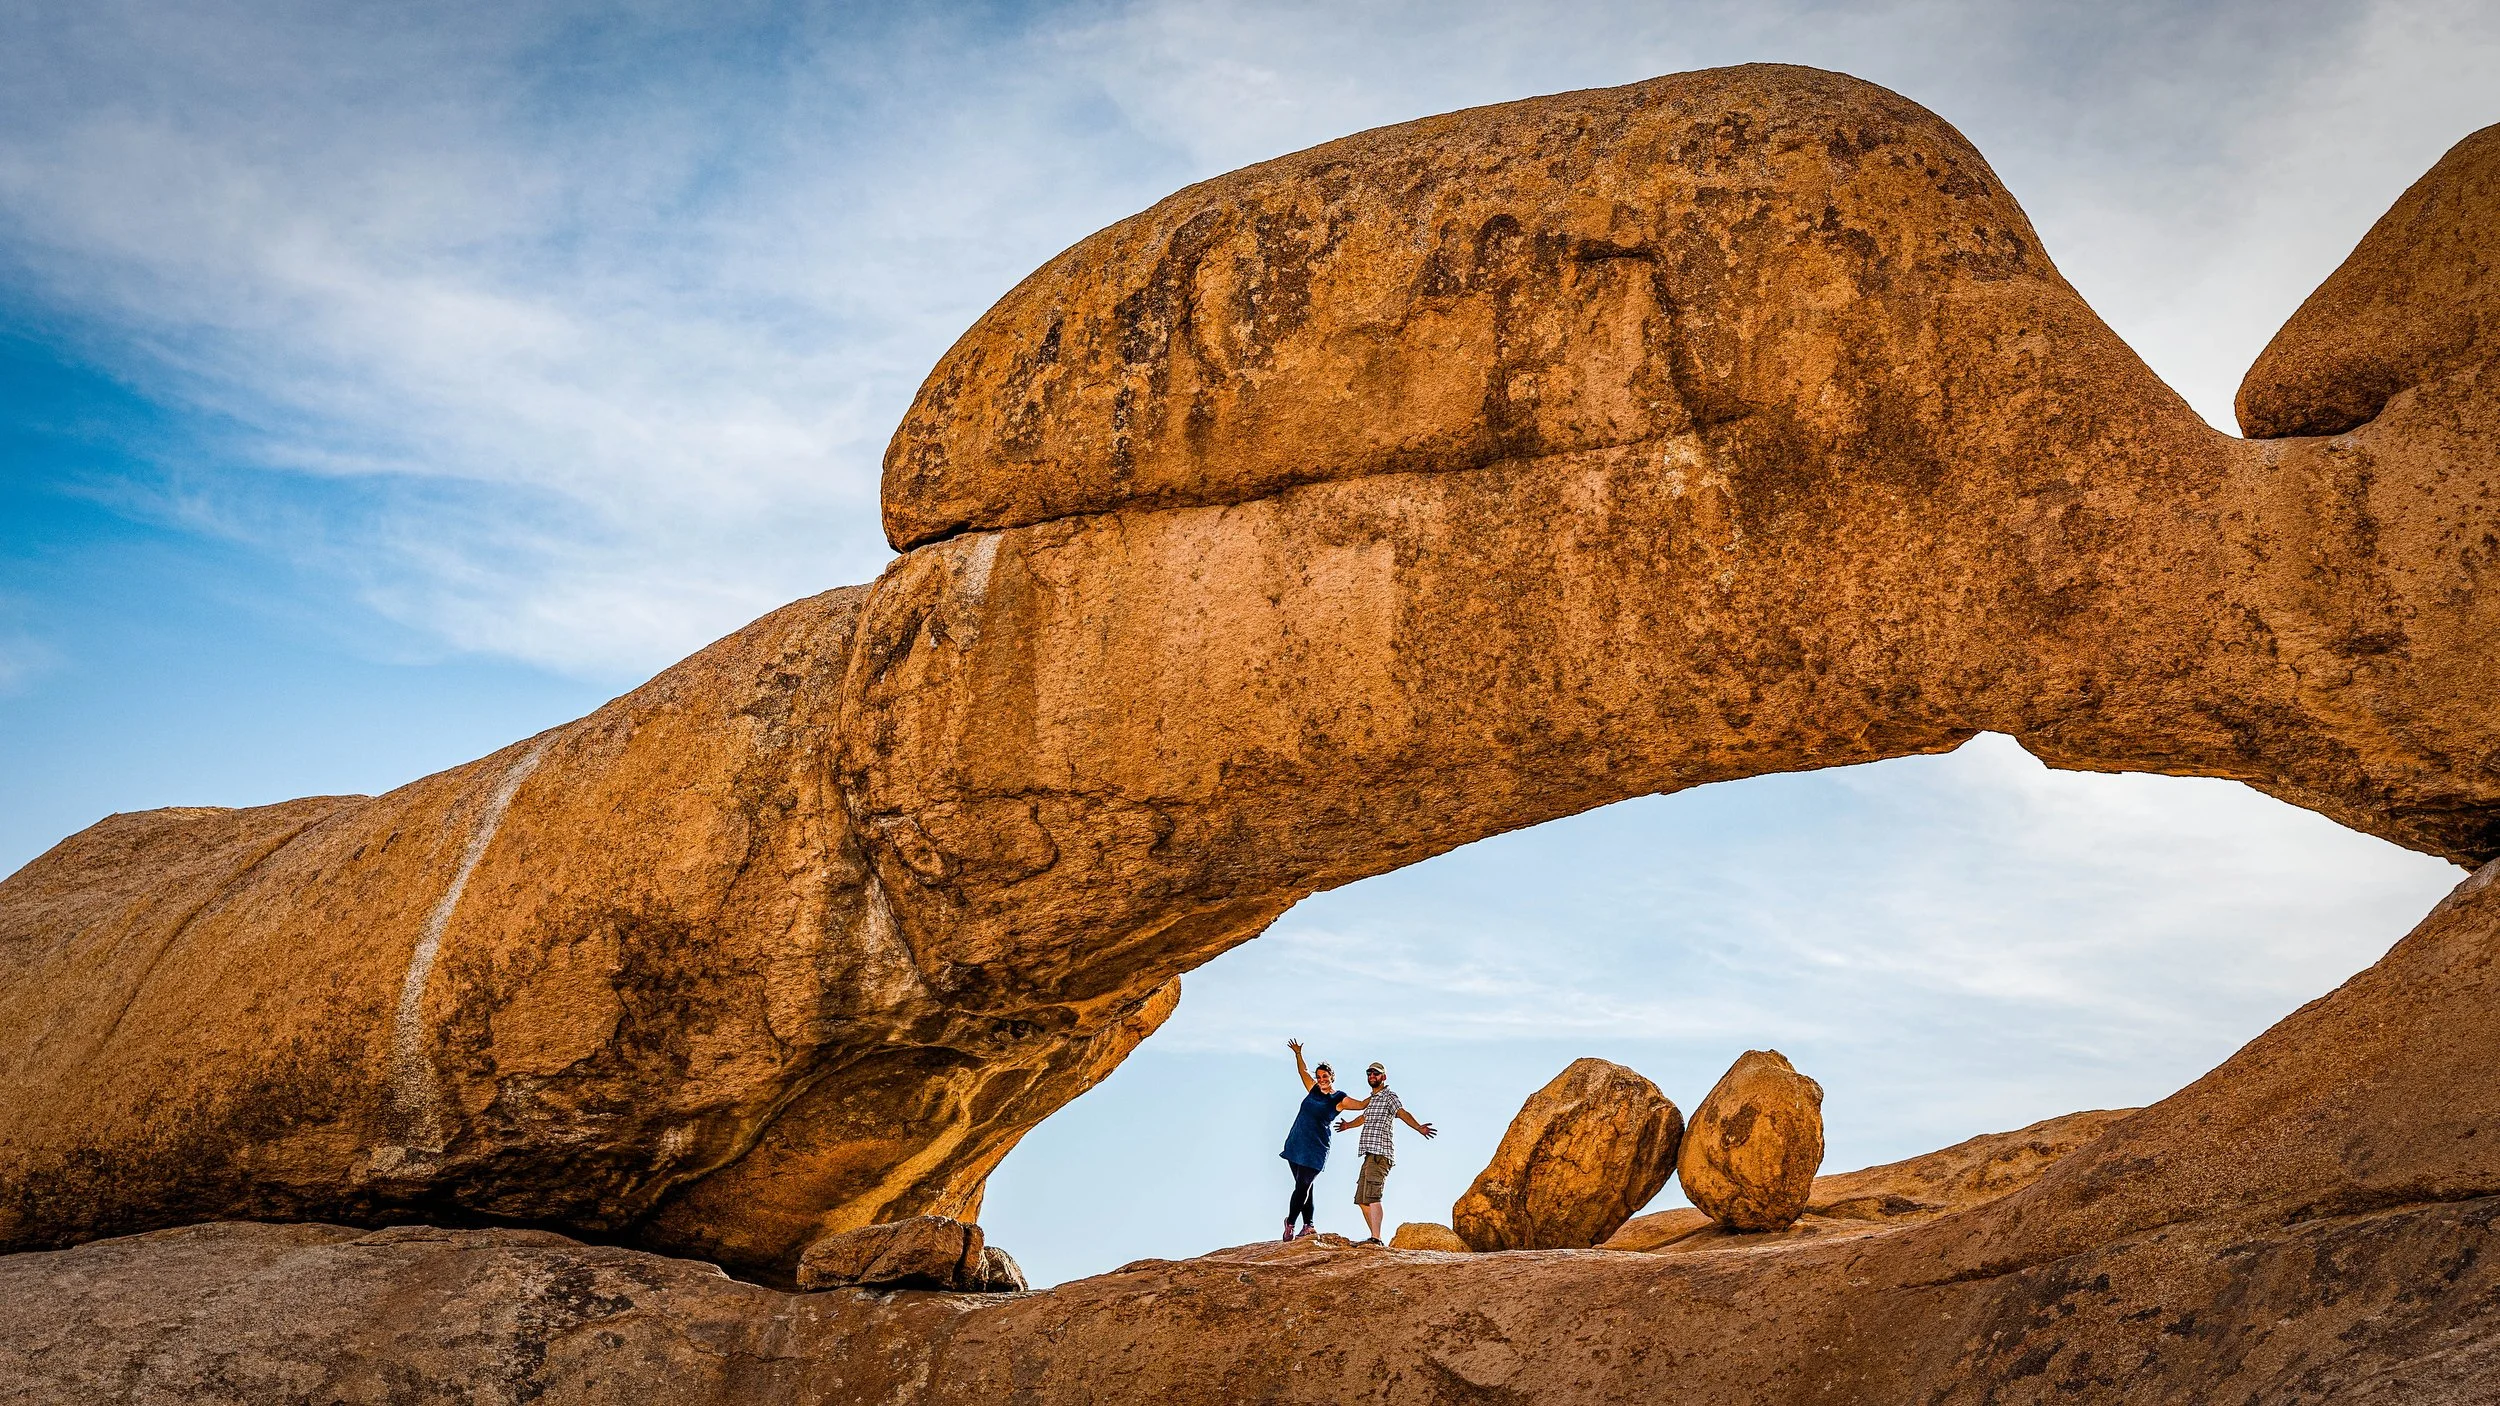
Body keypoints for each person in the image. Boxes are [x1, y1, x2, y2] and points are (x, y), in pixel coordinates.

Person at [1334, 1060, 1436, 1245]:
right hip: (1368, 1154)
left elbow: (1402, 1112)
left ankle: (1376, 1238)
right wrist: (1348, 1125)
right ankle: (1375, 1237)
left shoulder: (1389, 1096)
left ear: (1384, 1077)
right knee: (1362, 1199)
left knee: (1373, 1196)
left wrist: (1419, 1127)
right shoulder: (1372, 1100)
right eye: (1369, 1073)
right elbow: (1363, 1118)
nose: (1372, 1076)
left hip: (1380, 1153)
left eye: (1376, 1073)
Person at [1280, 1039, 1357, 1241]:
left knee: (1303, 1185)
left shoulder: (1338, 1098)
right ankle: (1309, 1225)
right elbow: (1302, 1072)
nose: (1322, 1079)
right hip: (1296, 1143)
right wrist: (1298, 1053)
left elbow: (1359, 1105)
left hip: (1316, 1148)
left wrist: (1375, 1096)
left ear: (1332, 1077)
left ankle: (1290, 1224)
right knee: (1305, 1186)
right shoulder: (1313, 1089)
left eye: (1325, 1076)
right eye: (1319, 1076)